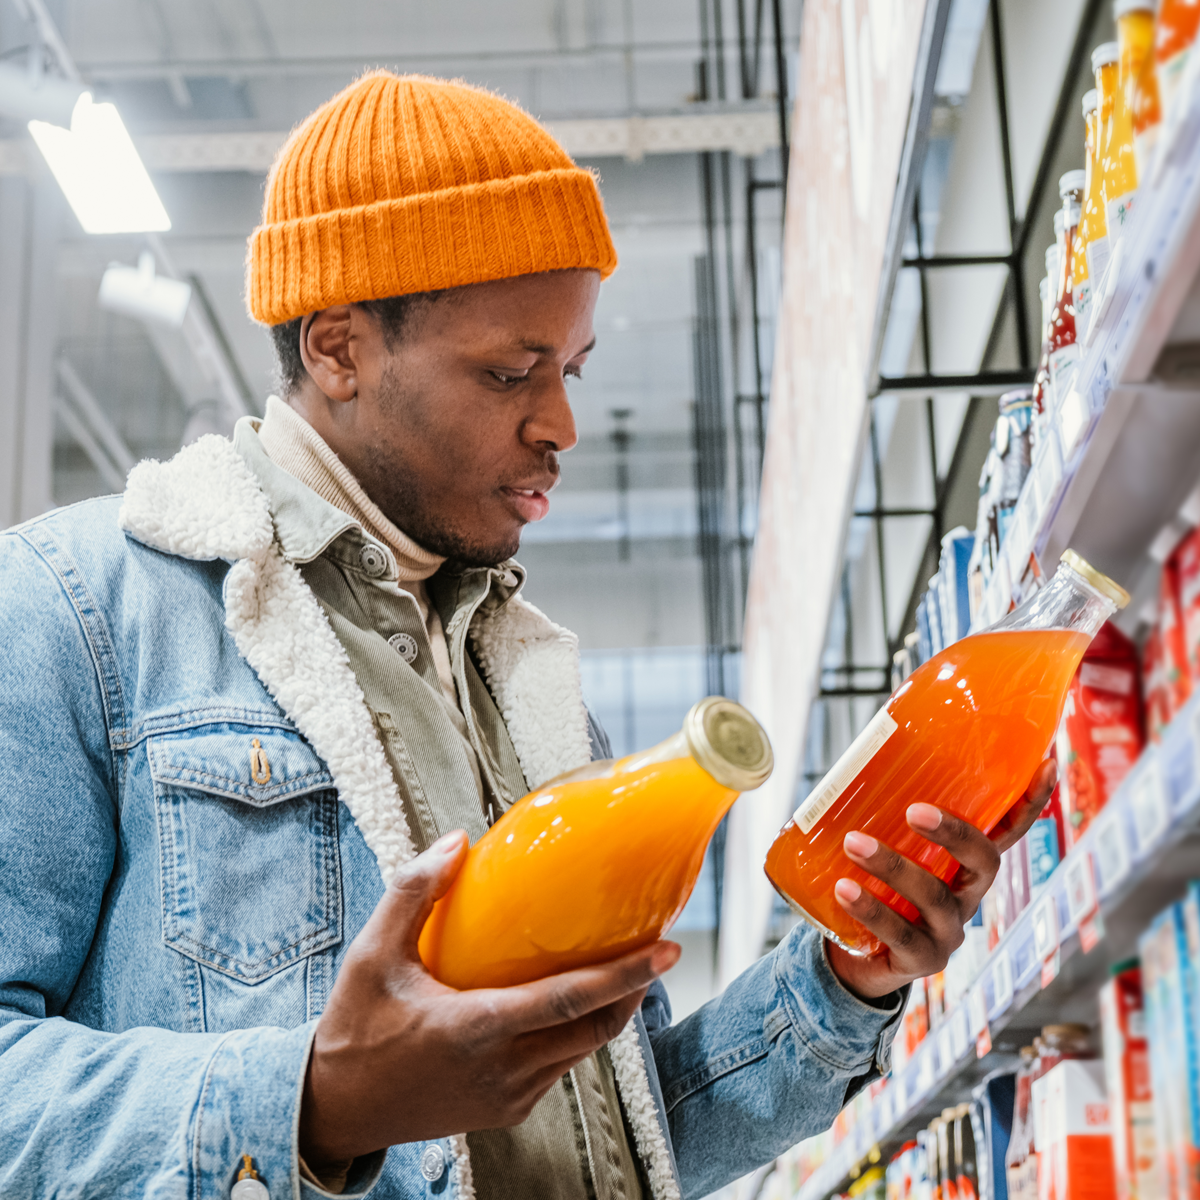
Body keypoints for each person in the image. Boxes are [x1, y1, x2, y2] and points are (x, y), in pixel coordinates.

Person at [0, 73, 1053, 1200]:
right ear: (338, 349)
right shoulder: (79, 607)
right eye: (513, 371)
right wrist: (317, 1098)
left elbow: (621, 1131)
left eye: (573, 369)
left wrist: (845, 980)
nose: (560, 425)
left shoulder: (528, 684)